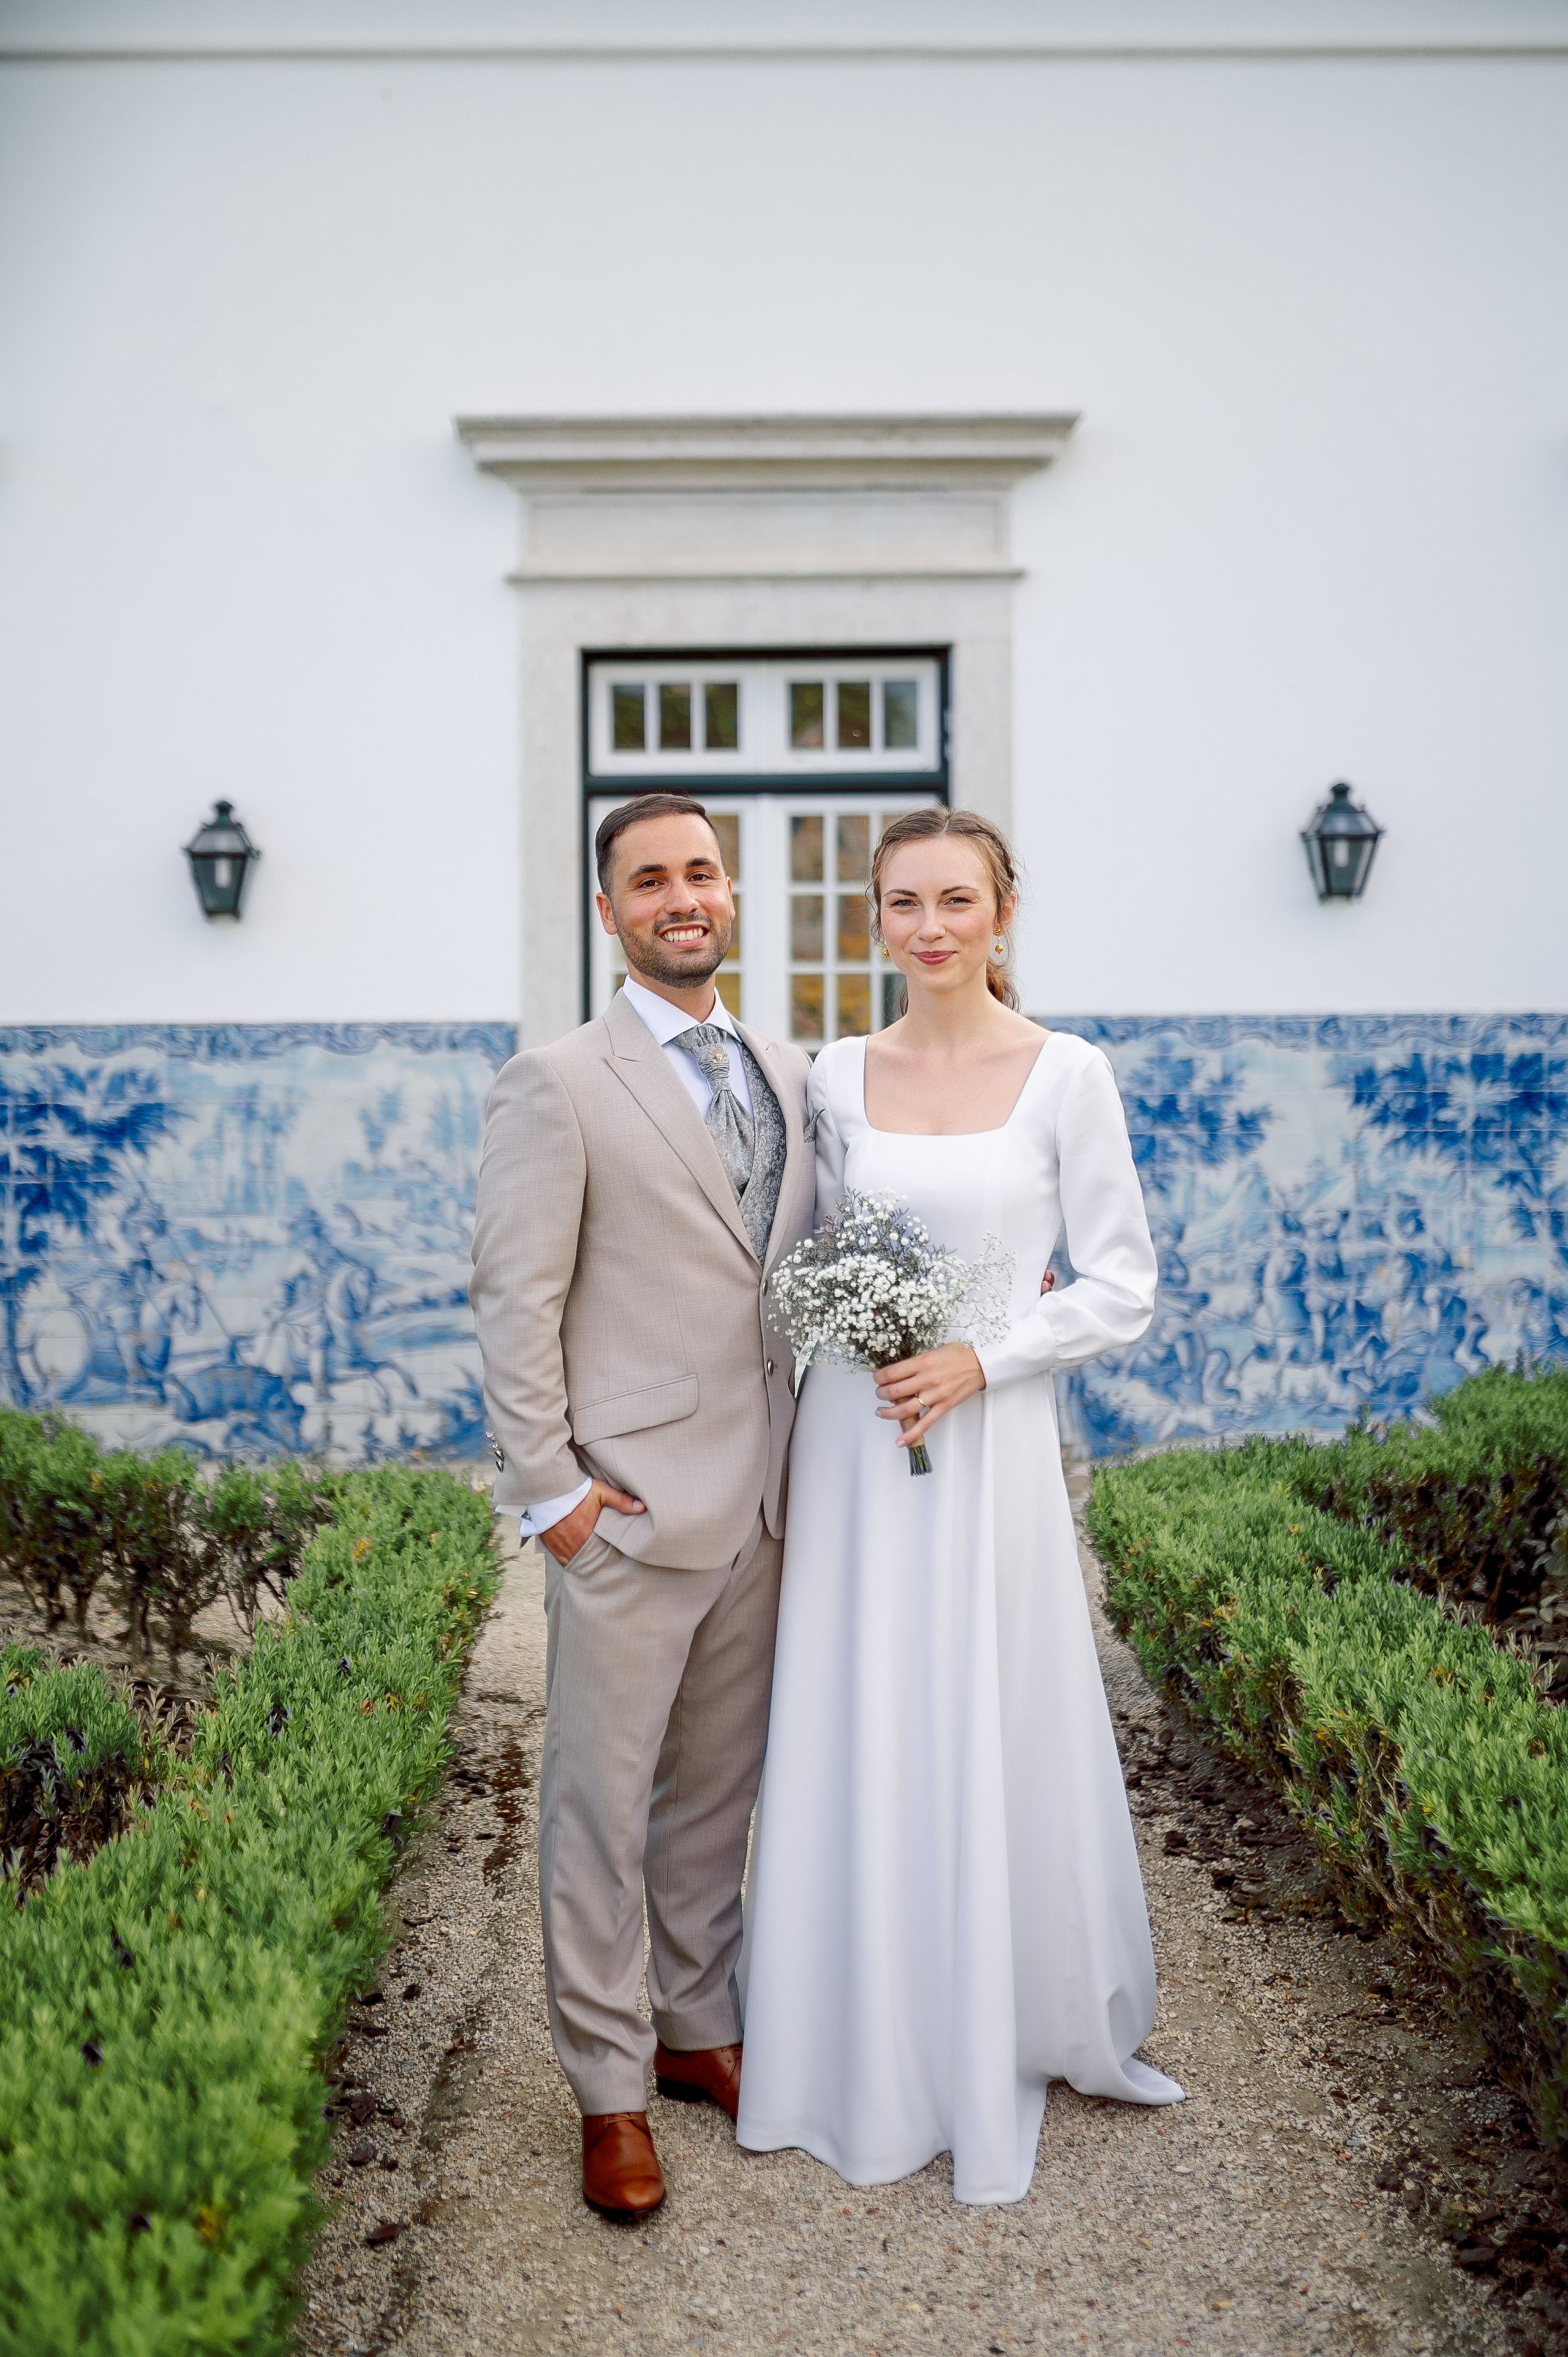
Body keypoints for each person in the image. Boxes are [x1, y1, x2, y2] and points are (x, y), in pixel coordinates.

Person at [736, 807, 1184, 2206]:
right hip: (856, 1442)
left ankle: (998, 2014)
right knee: (859, 1704)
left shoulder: (1066, 1073)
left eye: (956, 901)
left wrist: (984, 1358)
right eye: (903, 904)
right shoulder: (834, 1076)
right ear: (874, 920)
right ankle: (849, 2027)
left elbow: (1120, 1284)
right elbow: (804, 1252)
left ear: (1001, 912)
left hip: (985, 1444)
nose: (929, 928)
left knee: (986, 1703)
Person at [469, 790, 815, 2221]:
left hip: (770, 1501)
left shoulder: (785, 1069)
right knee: (599, 1810)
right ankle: (608, 2091)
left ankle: (695, 2029)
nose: (684, 896)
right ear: (608, 910)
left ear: (730, 895)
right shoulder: (556, 1082)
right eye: (652, 879)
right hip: (623, 1507)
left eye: (703, 873)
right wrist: (550, 1491)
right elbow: (513, 1297)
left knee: (715, 1796)